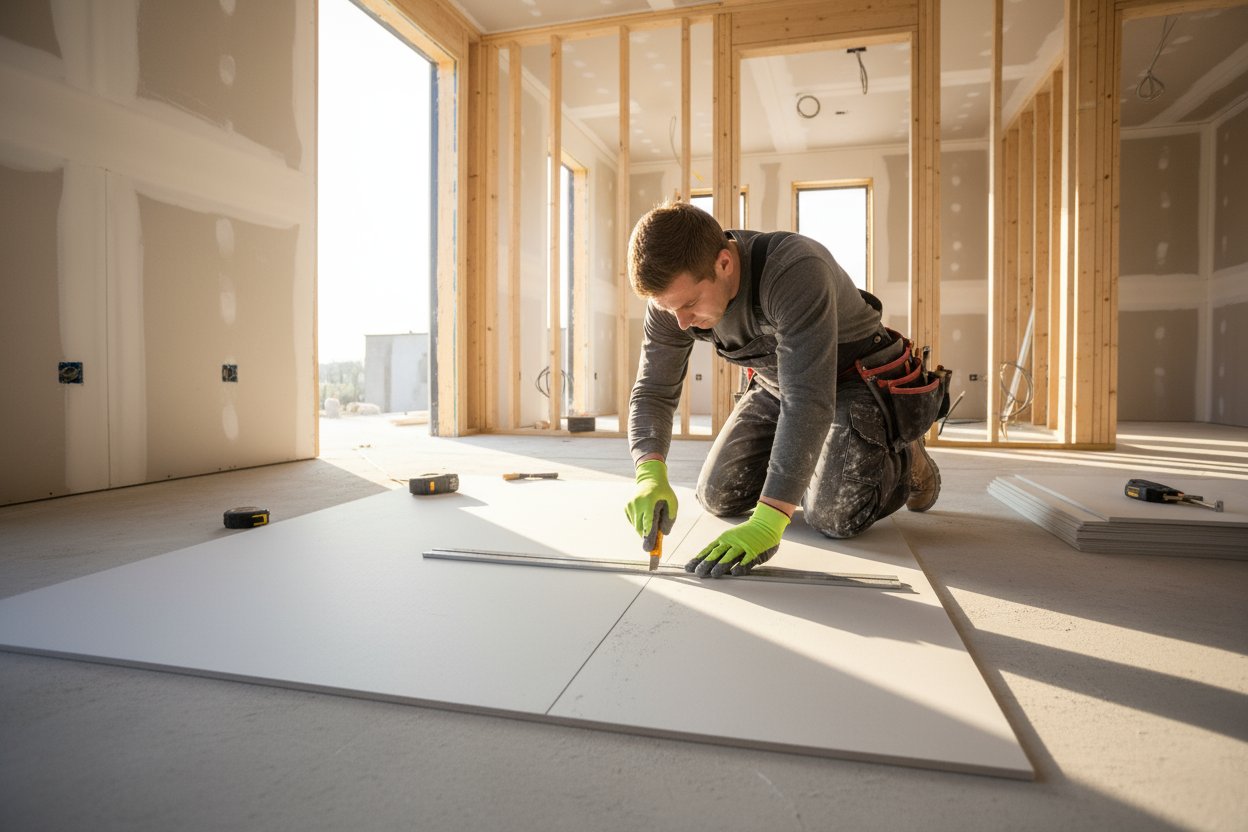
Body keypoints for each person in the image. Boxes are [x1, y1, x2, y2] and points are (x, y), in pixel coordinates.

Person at [623, 200, 942, 578]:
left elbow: (808, 400)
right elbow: (654, 390)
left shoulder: (794, 270)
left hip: (854, 378)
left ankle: (905, 455)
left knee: (833, 516)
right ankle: (823, 461)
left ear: (724, 263)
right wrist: (649, 471)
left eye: (690, 304)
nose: (681, 323)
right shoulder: (672, 300)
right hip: (777, 382)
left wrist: (769, 521)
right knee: (718, 496)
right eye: (668, 309)